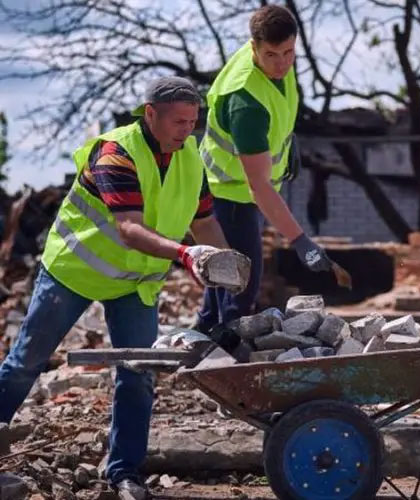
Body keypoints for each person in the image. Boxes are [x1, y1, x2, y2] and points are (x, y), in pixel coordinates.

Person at [0, 77, 230, 499]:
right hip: (75, 273)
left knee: (138, 374)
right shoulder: (115, 153)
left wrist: (225, 261)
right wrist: (185, 256)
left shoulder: (190, 157)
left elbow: (204, 222)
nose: (187, 130)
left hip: (134, 285)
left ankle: (125, 473)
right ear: (150, 115)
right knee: (26, 362)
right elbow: (129, 229)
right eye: (179, 121)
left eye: (193, 122)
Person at [195, 5, 332, 332]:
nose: (283, 63)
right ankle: (224, 354)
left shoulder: (278, 59)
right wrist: (300, 240)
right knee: (243, 281)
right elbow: (260, 186)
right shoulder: (247, 103)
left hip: (238, 188)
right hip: (226, 192)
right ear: (253, 46)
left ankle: (201, 338)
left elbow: (280, 106)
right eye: (272, 55)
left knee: (224, 276)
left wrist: (288, 143)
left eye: (289, 53)